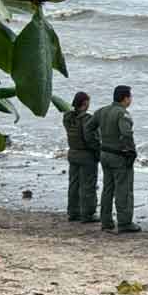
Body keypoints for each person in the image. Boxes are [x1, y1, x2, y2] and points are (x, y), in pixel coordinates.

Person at [88, 85, 140, 233]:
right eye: (130, 96)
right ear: (125, 98)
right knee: (123, 189)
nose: (131, 99)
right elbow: (126, 133)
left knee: (107, 188)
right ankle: (124, 222)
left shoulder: (102, 111)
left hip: (105, 154)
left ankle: (106, 221)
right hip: (119, 156)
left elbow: (88, 128)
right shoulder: (122, 113)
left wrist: (96, 144)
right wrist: (131, 151)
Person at [63, 91, 100, 223]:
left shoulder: (67, 117)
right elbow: (90, 138)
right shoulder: (87, 119)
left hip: (73, 153)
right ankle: (88, 214)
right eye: (88, 101)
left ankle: (73, 212)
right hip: (86, 155)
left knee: (74, 184)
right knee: (88, 185)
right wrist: (98, 150)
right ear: (85, 103)